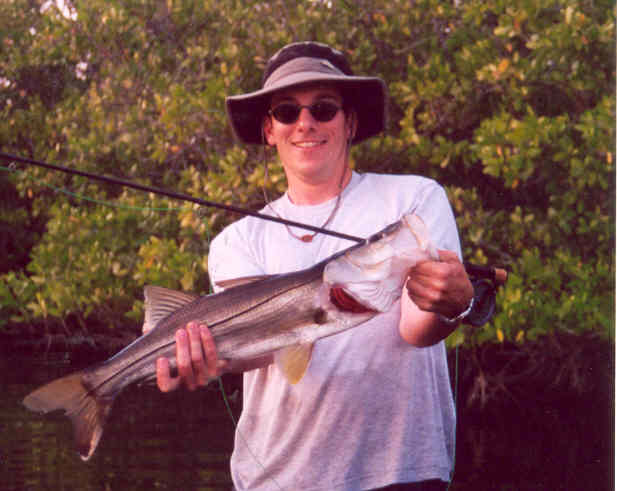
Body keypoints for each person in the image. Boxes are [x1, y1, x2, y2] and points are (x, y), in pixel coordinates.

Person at [156, 42, 474, 491]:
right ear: (269, 130)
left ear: (351, 123)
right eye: (287, 112)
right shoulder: (237, 241)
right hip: (279, 479)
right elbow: (264, 348)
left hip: (402, 474)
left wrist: (453, 304)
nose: (305, 123)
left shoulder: (414, 202)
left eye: (324, 109)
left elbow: (416, 329)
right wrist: (203, 361)